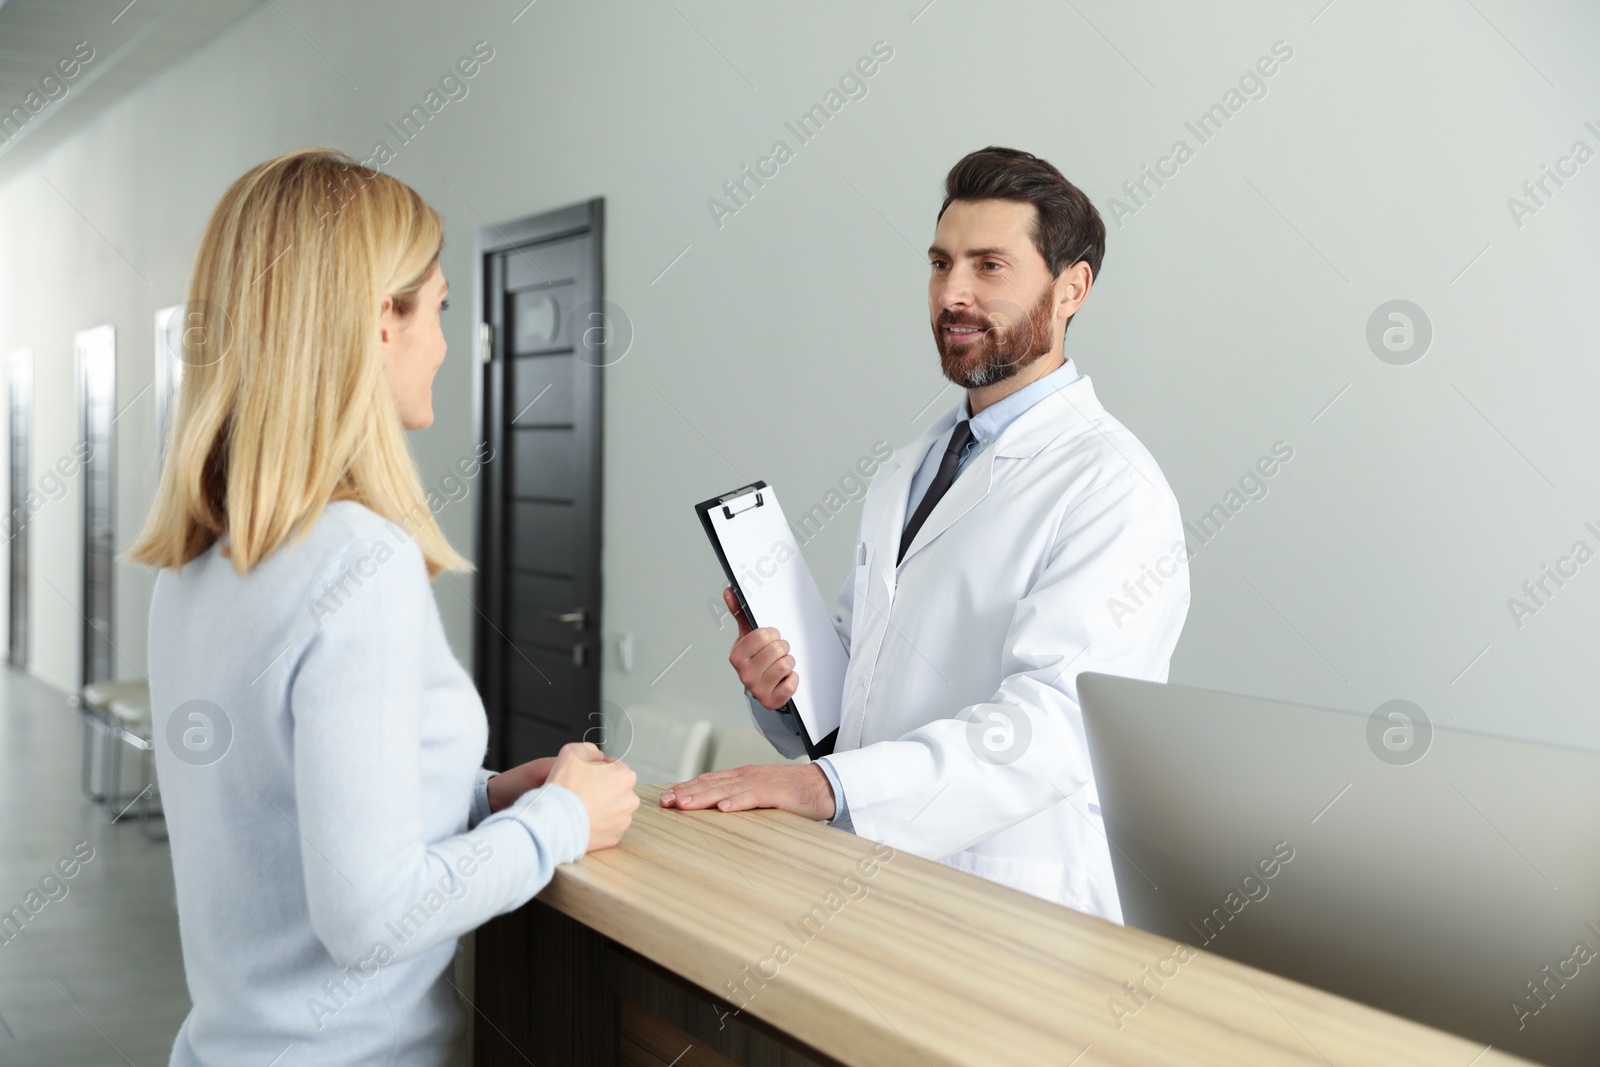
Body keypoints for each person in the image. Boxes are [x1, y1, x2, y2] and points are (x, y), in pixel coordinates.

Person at [128, 148, 639, 1066]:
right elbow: (368, 918)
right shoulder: (360, 560)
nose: (446, 341)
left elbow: (278, 821)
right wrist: (564, 819)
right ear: (378, 321)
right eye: (438, 307)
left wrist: (478, 798)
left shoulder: (196, 570)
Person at [661, 147, 1190, 923]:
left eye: (989, 267)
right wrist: (783, 694)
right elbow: (862, 700)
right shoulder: (908, 469)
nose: (954, 294)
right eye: (941, 264)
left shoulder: (1112, 488)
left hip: (1012, 912)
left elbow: (1055, 725)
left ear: (1071, 287)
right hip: (870, 886)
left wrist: (831, 788)